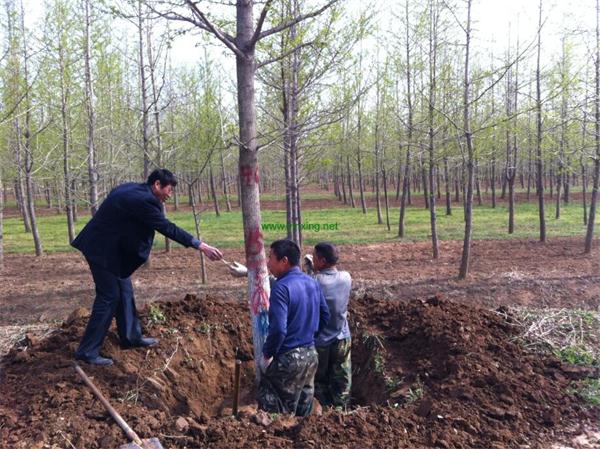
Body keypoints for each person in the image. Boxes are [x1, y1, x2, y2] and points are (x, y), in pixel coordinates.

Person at [72, 169, 223, 366]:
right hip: (101, 251)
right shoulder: (145, 201)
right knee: (109, 296)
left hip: (110, 248)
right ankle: (87, 352)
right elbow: (167, 227)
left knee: (124, 290)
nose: (170, 195)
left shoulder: (132, 188)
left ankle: (131, 337)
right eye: (169, 190)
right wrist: (200, 245)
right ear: (157, 185)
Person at [258, 239, 330, 416]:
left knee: (273, 406)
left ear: (284, 261)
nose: (268, 262)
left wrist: (267, 355)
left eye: (271, 258)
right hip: (311, 356)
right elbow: (325, 316)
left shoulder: (281, 288)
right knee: (303, 413)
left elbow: (279, 330)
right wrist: (310, 338)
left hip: (289, 359)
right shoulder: (312, 282)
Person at [311, 242, 352, 408]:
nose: (312, 260)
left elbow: (305, 283)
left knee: (320, 380)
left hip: (321, 341)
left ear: (321, 261)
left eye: (314, 258)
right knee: (341, 379)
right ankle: (342, 412)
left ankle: (323, 413)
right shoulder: (346, 277)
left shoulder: (315, 281)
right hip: (342, 337)